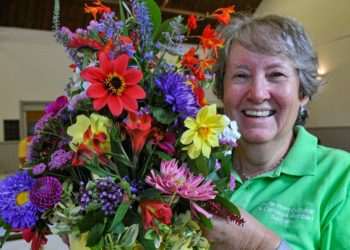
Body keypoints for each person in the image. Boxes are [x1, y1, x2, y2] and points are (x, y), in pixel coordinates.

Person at [205, 14, 350, 249]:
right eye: (241, 75)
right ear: (223, 90)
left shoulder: (342, 176)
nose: (258, 93)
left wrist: (256, 243)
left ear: (303, 93)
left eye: (276, 75)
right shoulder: (194, 165)